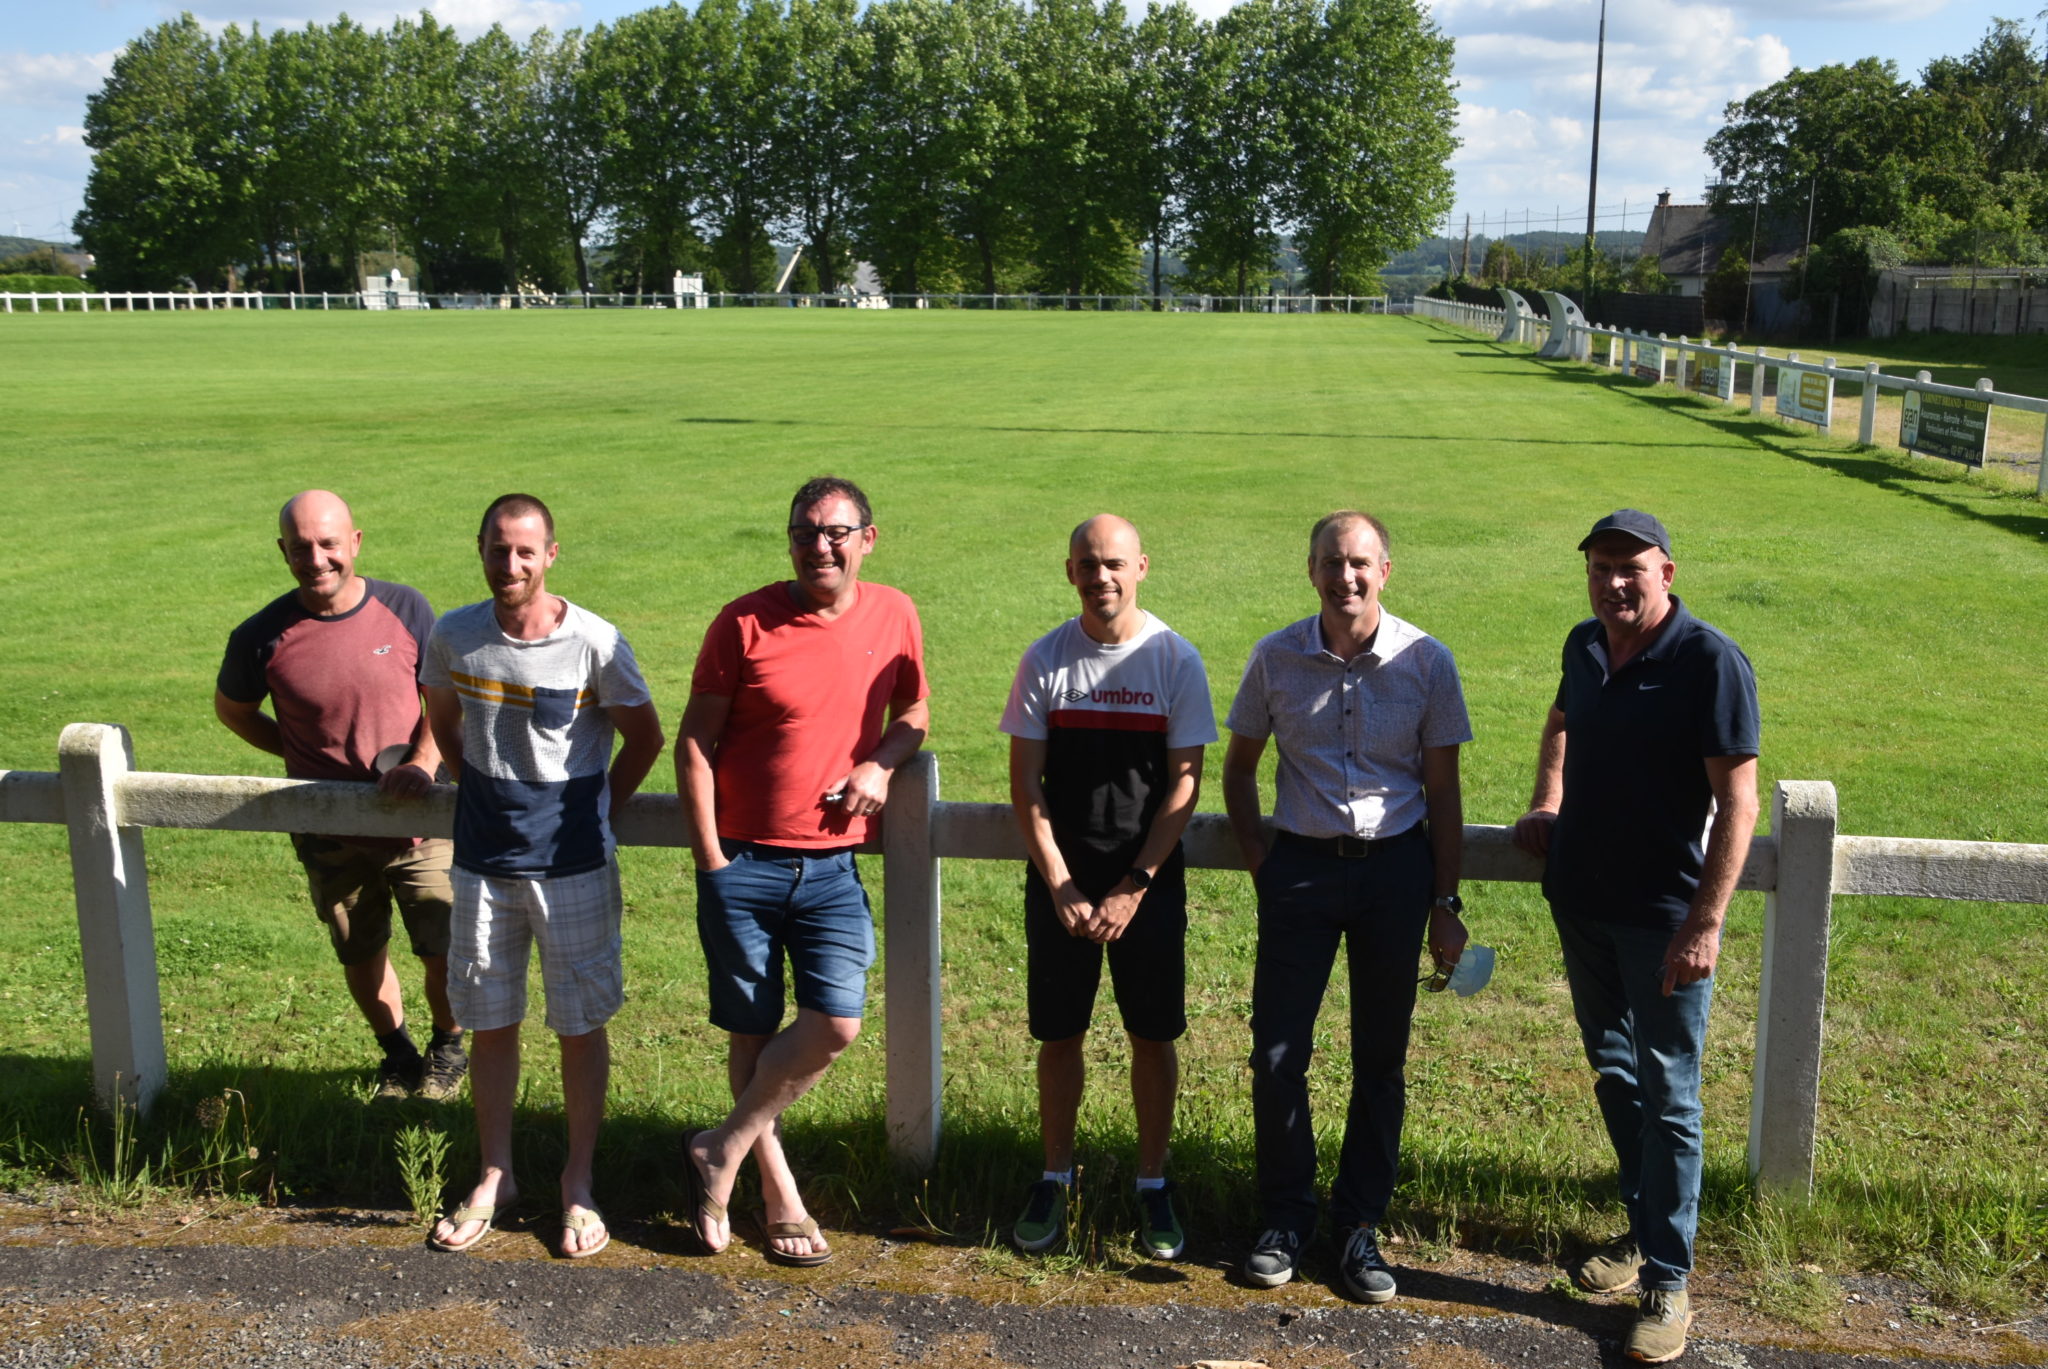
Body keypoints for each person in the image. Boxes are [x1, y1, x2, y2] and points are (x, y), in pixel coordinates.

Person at [1512, 509, 1759, 1365]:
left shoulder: (1709, 661)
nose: (1615, 581)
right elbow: (1561, 721)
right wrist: (1547, 799)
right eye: (1600, 566)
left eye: (1632, 567)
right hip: (1581, 903)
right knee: (1616, 1073)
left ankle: (1668, 1280)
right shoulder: (1585, 645)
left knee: (1671, 1094)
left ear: (1667, 572)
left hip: (1664, 921)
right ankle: (1645, 1225)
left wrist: (1705, 922)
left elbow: (1739, 802)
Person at [678, 475, 929, 1267]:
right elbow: (694, 741)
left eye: (835, 532)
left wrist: (881, 762)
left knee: (836, 1021)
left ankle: (721, 1146)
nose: (819, 545)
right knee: (751, 1029)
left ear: (867, 540)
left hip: (830, 866)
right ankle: (777, 1190)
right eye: (804, 532)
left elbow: (914, 713)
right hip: (743, 861)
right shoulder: (742, 622)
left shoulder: (895, 613)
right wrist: (712, 859)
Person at [1222, 510, 1471, 1302]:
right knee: (1277, 1054)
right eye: (1332, 562)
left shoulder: (1427, 661)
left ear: (1385, 570)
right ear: (1311, 571)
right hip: (1299, 871)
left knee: (1381, 1060)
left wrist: (1445, 900)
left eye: (1361, 562)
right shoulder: (1276, 657)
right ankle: (1286, 1216)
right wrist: (1262, 862)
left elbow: (1443, 792)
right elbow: (1238, 768)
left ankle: (1359, 1222)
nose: (1346, 577)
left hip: (1395, 872)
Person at [421, 493, 665, 1260]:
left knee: (579, 1025)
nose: (511, 563)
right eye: (498, 548)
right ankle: (496, 1174)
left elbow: (646, 737)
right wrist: (475, 788)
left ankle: (577, 1180)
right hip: (482, 864)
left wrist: (597, 809)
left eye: (526, 550)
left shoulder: (594, 641)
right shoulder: (454, 635)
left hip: (573, 868)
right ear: (481, 549)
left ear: (551, 554)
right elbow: (442, 719)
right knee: (489, 1022)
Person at [999, 515, 1215, 1259]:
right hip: (1061, 883)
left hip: (1145, 886)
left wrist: (1135, 884)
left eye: (1115, 563)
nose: (1102, 577)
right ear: (1070, 571)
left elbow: (1185, 784)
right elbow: (1025, 786)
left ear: (1142, 567)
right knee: (1060, 1035)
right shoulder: (1045, 660)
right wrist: (1060, 882)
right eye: (1088, 564)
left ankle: (1153, 1183)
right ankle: (1054, 1176)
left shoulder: (1175, 660)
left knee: (1152, 1037)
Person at [215, 490, 466, 1101]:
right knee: (359, 948)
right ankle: (398, 1054)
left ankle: (448, 1049)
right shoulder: (259, 635)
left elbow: (443, 698)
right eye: (301, 547)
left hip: (420, 818)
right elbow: (234, 711)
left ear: (355, 542)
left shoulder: (405, 607)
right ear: (283, 551)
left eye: (328, 544)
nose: (316, 559)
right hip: (329, 828)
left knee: (443, 945)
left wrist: (421, 763)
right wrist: (299, 753)